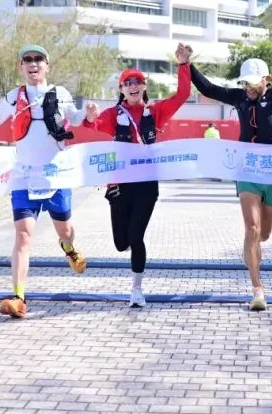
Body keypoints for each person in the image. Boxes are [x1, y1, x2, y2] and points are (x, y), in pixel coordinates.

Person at [187, 15, 272, 311]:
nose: (247, 88)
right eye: (244, 83)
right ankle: (257, 289)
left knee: (264, 234)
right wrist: (187, 65)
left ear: (266, 80)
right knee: (251, 228)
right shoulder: (240, 98)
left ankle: (250, 253)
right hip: (247, 171)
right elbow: (209, 89)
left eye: (252, 83)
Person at [0, 44, 89, 318]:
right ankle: (18, 297)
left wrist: (89, 113)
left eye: (38, 59)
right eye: (27, 60)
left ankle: (69, 249)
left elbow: (77, 118)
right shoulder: (14, 96)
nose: (33, 63)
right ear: (21, 67)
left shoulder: (60, 94)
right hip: (24, 177)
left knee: (65, 231)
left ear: (47, 66)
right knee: (23, 235)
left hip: (55, 175)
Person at [82, 45, 192, 307]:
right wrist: (89, 116)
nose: (133, 86)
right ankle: (131, 246)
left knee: (136, 236)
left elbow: (182, 95)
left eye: (137, 82)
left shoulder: (155, 111)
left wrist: (183, 64)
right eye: (127, 83)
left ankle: (136, 289)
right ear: (121, 89)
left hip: (146, 185)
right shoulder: (113, 114)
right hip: (120, 185)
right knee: (121, 243)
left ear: (144, 87)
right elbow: (91, 125)